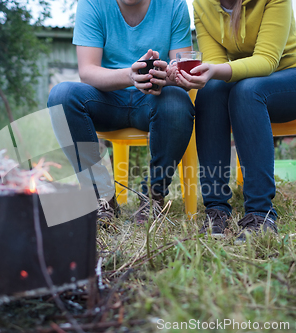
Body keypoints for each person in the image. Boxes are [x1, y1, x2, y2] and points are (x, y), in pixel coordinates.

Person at [171, 0, 296, 242]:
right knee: (210, 92)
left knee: (246, 91)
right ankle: (216, 209)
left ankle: (261, 213)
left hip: (295, 80)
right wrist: (204, 74)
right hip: (244, 84)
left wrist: (216, 72)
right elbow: (215, 63)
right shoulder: (202, 4)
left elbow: (267, 60)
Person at [47, 0, 195, 225]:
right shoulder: (92, 4)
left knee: (177, 101)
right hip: (107, 98)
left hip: (154, 97)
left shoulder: (174, 4)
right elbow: (87, 71)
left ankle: (154, 197)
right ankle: (101, 198)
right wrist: (130, 76)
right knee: (61, 96)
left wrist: (165, 75)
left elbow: (180, 73)